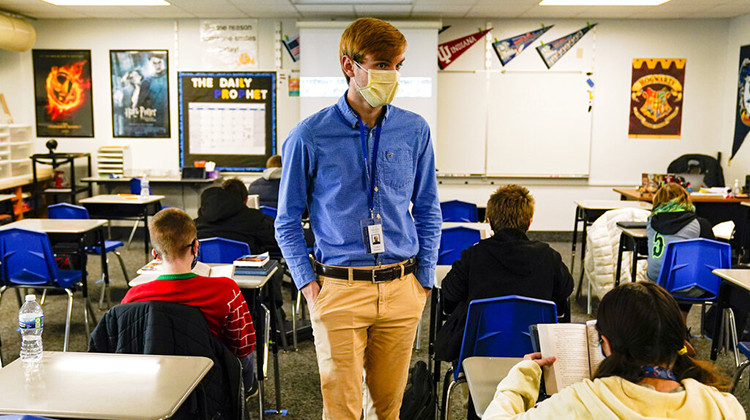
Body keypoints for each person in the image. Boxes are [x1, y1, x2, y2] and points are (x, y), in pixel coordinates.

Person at [275, 17, 442, 419]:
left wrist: (424, 280)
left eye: (398, 65)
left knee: (388, 408)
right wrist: (310, 287)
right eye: (382, 63)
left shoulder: (414, 130)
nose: (391, 74)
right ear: (350, 66)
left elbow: (428, 208)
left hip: (402, 287)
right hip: (339, 289)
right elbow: (286, 220)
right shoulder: (308, 136)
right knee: (343, 409)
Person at [483, 281, 744, 419]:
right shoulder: (725, 408)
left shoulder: (581, 402)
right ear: (680, 343)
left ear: (606, 344)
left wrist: (524, 375)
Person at [437, 185, 573, 420]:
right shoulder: (548, 256)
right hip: (537, 355)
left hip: (476, 354)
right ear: (529, 222)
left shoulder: (474, 255)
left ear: (489, 222)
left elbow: (448, 295)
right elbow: (564, 295)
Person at [121, 208, 257, 393]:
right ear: (195, 247)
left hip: (153, 385)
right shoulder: (226, 290)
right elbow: (243, 347)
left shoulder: (134, 297)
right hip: (210, 385)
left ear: (155, 254)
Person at [647, 183, 714, 320]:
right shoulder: (700, 223)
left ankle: (676, 324)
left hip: (655, 282)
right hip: (686, 287)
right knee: (689, 277)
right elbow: (711, 258)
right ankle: (704, 326)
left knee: (678, 276)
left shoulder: (651, 221)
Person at [195, 177, 278, 254]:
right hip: (245, 268)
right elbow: (278, 238)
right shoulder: (254, 219)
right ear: (246, 200)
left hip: (207, 268)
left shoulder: (196, 223)